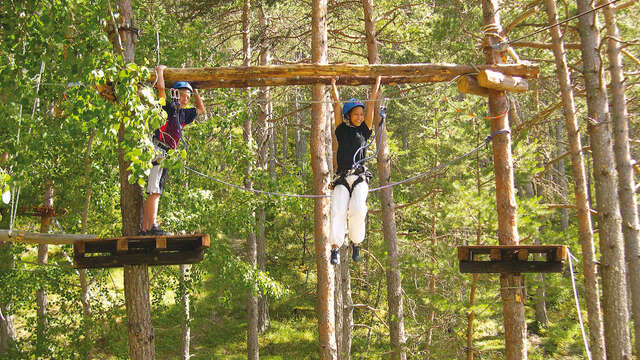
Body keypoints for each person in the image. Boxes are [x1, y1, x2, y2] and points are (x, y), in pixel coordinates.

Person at [140, 65, 206, 235]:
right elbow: (161, 90)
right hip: (159, 149)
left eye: (188, 96)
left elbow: (201, 110)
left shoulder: (184, 114)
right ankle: (150, 226)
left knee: (156, 189)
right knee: (154, 189)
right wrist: (160, 72)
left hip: (167, 153)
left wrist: (196, 91)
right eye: (183, 95)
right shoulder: (168, 108)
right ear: (176, 94)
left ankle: (147, 227)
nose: (186, 99)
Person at [328, 77, 381, 265]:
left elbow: (372, 105)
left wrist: (376, 85)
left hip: (359, 177)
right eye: (356, 114)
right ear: (348, 115)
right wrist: (333, 85)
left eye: (361, 114)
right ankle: (335, 246)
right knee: (337, 211)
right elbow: (336, 106)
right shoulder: (341, 130)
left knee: (358, 209)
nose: (359, 117)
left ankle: (356, 242)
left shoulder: (365, 131)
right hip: (342, 178)